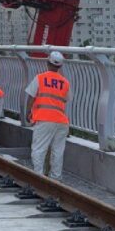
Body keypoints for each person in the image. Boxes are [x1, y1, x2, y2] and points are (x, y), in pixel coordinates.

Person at [26, 51, 70, 179]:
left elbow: (31, 96)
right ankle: (56, 178)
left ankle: (38, 177)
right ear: (60, 66)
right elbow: (65, 100)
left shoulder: (40, 78)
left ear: (47, 63)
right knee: (58, 151)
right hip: (62, 121)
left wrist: (28, 112)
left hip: (44, 119)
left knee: (39, 149)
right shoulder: (65, 82)